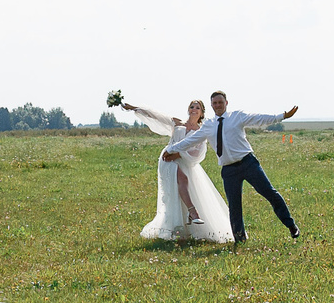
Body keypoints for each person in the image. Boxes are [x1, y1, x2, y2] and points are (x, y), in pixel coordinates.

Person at [121, 99, 229, 243]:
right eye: (191, 107)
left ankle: (184, 225)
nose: (194, 109)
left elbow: (199, 152)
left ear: (202, 112)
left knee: (185, 188)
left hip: (184, 161)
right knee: (182, 179)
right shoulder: (177, 123)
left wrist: (179, 154)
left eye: (197, 108)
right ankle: (193, 212)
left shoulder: (201, 130)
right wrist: (135, 108)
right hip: (167, 159)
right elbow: (155, 115)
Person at [207, 90, 300, 246]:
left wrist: (282, 116)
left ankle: (291, 225)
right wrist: (172, 150)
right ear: (211, 105)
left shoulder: (237, 116)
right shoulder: (208, 125)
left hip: (247, 163)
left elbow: (259, 119)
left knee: (270, 193)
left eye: (220, 102)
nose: (218, 105)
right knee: (234, 206)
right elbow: (192, 139)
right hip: (228, 170)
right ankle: (240, 240)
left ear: (226, 103)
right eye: (215, 103)